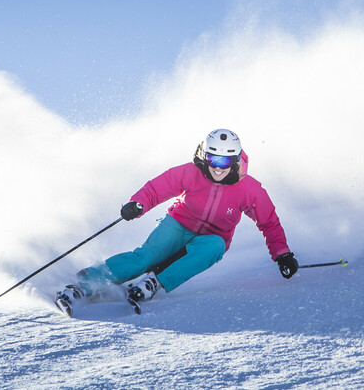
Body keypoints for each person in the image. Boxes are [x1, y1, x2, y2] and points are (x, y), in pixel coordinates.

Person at [56, 129, 298, 315]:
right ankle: (84, 284)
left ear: (234, 161)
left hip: (211, 238)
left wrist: (282, 254)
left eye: (223, 162)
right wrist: (138, 204)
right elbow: (157, 188)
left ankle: (154, 283)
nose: (216, 168)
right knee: (145, 258)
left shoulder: (249, 189)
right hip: (178, 224)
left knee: (215, 247)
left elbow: (269, 222)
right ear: (204, 154)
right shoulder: (191, 172)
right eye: (212, 158)